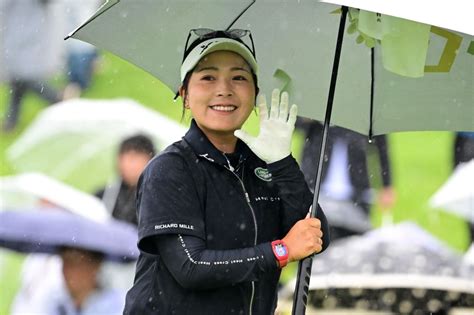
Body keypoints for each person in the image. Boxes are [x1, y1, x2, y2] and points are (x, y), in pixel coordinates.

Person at [123, 29, 330, 314]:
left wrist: (283, 163)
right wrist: (280, 251)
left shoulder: (265, 167)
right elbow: (190, 266)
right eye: (208, 77)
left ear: (255, 93)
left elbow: (318, 235)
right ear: (184, 94)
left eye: (239, 78)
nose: (224, 89)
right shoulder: (170, 169)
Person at [296, 118, 396, 241]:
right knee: (315, 240)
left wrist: (386, 185)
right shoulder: (320, 111)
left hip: (356, 193)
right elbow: (296, 124)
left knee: (354, 242)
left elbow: (381, 146)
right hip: (317, 188)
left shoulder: (365, 114)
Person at [1, 0, 63, 132]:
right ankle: (11, 120)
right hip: (14, 33)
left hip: (29, 33)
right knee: (18, 81)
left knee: (23, 78)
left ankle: (58, 99)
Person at [11, 247, 126, 315]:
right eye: (64, 260)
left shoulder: (118, 306)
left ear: (95, 265)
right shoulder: (53, 300)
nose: (66, 269)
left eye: (74, 261)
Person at [96, 134, 156, 226]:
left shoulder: (155, 202)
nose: (128, 165)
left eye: (135, 158)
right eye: (124, 157)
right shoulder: (105, 194)